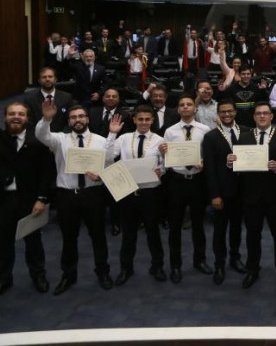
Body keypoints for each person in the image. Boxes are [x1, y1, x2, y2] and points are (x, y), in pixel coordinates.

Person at [35, 100, 114, 294]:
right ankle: (68, 275)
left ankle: (103, 271)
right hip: (67, 196)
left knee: (98, 236)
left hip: (93, 194)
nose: (77, 120)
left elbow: (110, 164)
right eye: (73, 117)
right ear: (69, 121)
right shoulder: (59, 139)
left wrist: (101, 175)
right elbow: (41, 135)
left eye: (81, 116)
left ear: (87, 119)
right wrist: (46, 118)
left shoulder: (100, 140)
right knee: (69, 238)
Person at [104, 106, 166, 285]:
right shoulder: (123, 138)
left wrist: (161, 170)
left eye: (148, 119)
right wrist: (112, 134)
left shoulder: (159, 140)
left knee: (153, 231)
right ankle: (126, 268)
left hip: (150, 192)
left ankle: (158, 266)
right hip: (128, 191)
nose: (144, 122)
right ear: (134, 120)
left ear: (152, 121)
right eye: (141, 119)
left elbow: (165, 163)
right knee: (128, 233)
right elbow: (108, 157)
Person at [0, 103, 54, 294]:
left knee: (33, 242)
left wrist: (42, 198)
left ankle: (38, 276)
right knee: (3, 243)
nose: (16, 117)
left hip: (31, 201)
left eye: (20, 114)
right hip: (4, 201)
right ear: (5, 117)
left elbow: (47, 174)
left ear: (27, 118)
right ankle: (4, 278)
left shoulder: (37, 141)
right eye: (12, 114)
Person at [159, 94, 212, 283]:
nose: (186, 107)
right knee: (175, 226)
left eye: (189, 104)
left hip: (197, 181)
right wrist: (163, 154)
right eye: (182, 105)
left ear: (195, 108)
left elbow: (209, 154)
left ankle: (200, 260)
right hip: (177, 180)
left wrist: (204, 162)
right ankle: (175, 265)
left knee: (198, 224)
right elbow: (165, 158)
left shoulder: (205, 129)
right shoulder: (170, 131)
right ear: (178, 109)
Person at [240, 102, 276, 289]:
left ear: (272, 116)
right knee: (252, 236)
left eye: (265, 113)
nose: (262, 116)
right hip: (251, 196)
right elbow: (239, 169)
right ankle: (252, 269)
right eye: (258, 114)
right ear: (254, 117)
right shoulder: (243, 137)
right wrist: (232, 163)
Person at [202, 99, 251, 284]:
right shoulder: (211, 136)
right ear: (218, 114)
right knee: (220, 231)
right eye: (223, 112)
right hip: (222, 192)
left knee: (237, 228)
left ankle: (235, 258)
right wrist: (214, 195)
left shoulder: (247, 131)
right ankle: (219, 264)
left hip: (243, 191)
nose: (227, 114)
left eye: (230, 111)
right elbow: (210, 169)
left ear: (235, 112)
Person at [24, 66, 74, 132]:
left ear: (55, 80)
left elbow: (71, 119)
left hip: (61, 137)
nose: (47, 79)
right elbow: (29, 122)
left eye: (50, 77)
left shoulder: (67, 97)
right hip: (38, 137)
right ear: (39, 80)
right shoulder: (30, 98)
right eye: (44, 77)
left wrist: (61, 137)